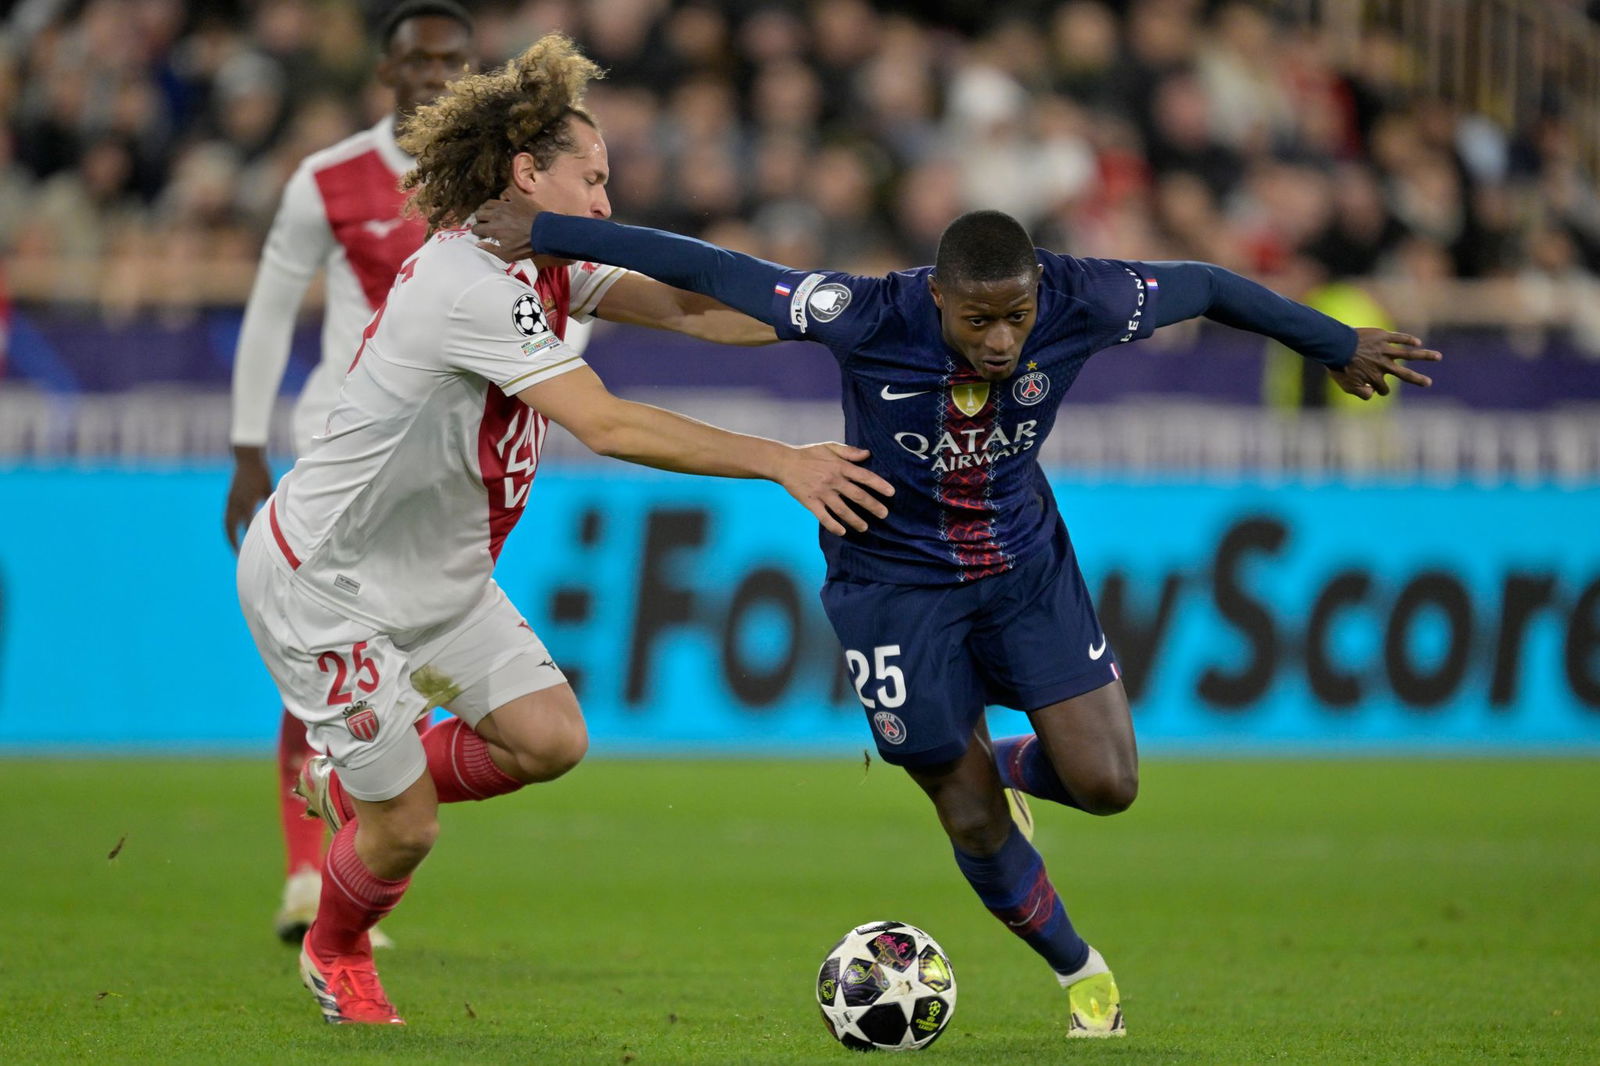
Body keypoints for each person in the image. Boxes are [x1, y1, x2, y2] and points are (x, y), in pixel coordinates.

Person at [469, 201, 1442, 1038]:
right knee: (961, 804)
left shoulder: (1088, 298)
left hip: (1022, 566)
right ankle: (1081, 972)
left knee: (1108, 784)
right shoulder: (865, 312)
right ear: (937, 296)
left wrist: (1334, 341)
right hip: (890, 582)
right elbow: (716, 270)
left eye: (1016, 317)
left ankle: (1005, 763)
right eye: (978, 320)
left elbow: (1208, 285)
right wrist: (549, 232)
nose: (1000, 341)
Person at [235, 34, 893, 1026]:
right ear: (525, 174)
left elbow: (692, 310)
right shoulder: (468, 285)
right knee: (405, 831)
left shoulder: (545, 261)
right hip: (328, 585)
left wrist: (847, 313)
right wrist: (781, 459)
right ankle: (336, 950)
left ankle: (354, 778)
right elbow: (608, 424)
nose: (606, 204)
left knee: (548, 739)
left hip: (438, 580)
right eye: (593, 179)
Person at [223, 0, 479, 947]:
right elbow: (268, 309)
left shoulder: (501, 179)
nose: (435, 75)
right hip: (339, 453)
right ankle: (309, 878)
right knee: (325, 658)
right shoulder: (327, 180)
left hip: (447, 465)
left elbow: (561, 303)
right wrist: (246, 445)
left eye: (452, 60)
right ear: (387, 72)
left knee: (404, 664)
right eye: (419, 60)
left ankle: (346, 850)